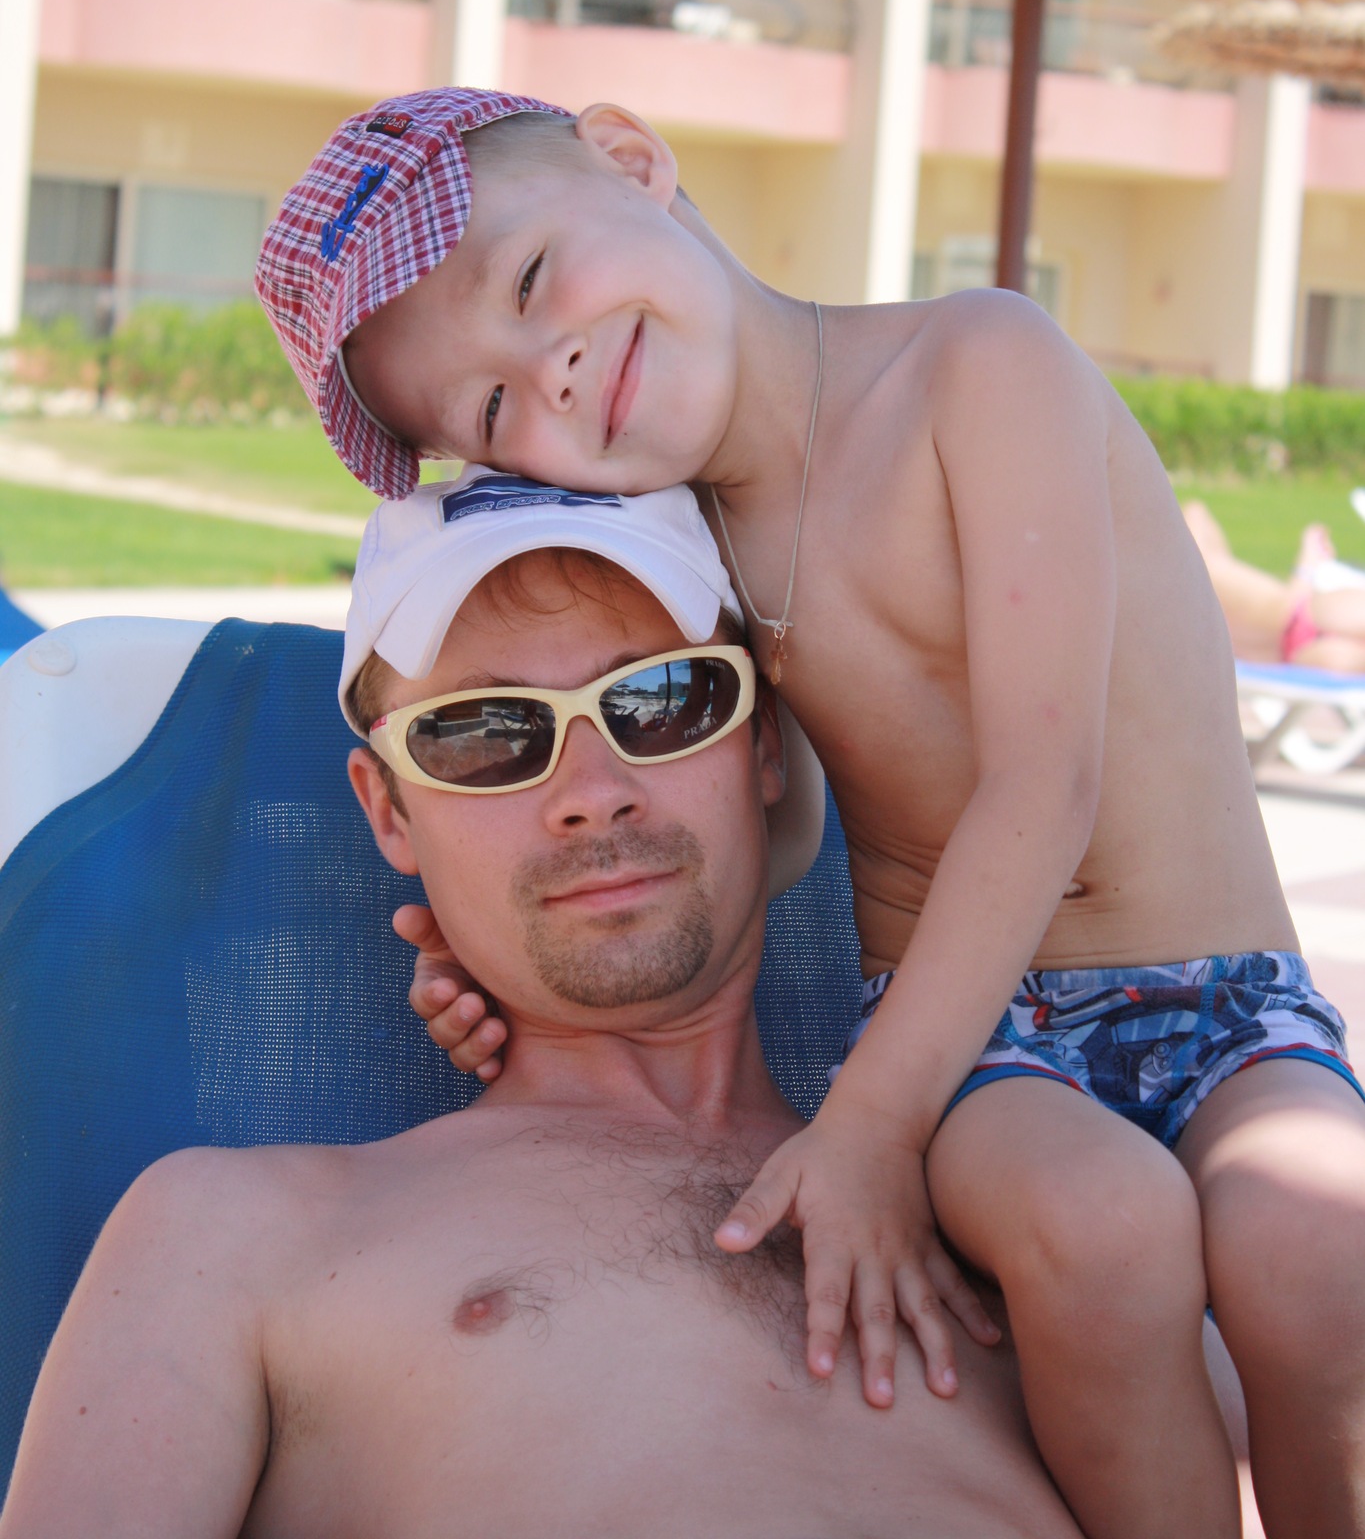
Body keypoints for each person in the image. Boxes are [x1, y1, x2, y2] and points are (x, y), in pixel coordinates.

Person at [256, 86, 1365, 1539]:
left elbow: (1048, 780)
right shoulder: (688, 547)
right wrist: (519, 968)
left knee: (1312, 1241)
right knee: (1099, 1228)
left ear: (633, 160)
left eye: (530, 281)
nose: (554, 372)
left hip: (1222, 993)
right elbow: (764, 840)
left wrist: (867, 1128)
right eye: (493, 412)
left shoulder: (978, 363)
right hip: (976, 1040)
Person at [0, 482, 1084, 1539]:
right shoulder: (232, 1232)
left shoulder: (1025, 1216)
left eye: (664, 698)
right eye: (484, 734)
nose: (592, 790)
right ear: (390, 812)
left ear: (762, 745)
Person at [1185, 501, 1365, 673]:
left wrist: (1306, 568)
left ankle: (1309, 563)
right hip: (1289, 639)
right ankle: (1309, 564)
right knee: (1195, 525)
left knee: (1194, 517)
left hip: (1288, 620)